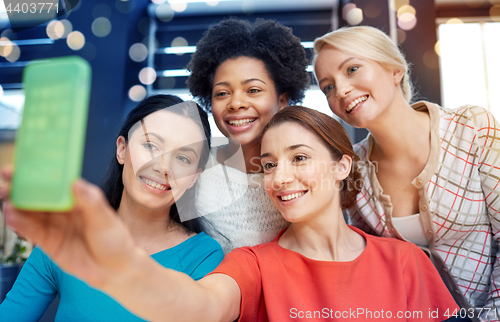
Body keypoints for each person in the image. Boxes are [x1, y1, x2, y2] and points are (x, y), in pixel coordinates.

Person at [0, 106, 461, 321]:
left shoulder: (407, 264)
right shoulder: (252, 265)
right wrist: (115, 257)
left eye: (299, 158)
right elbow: (197, 307)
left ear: (343, 164)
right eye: (268, 165)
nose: (281, 178)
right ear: (122, 149)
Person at [313, 25, 500, 320]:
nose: (342, 90)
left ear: (394, 70)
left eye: (352, 69)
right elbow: (372, 263)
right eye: (328, 87)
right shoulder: (353, 169)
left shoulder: (472, 127)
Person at [0, 95, 224, 321]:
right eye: (151, 145)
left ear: (194, 177)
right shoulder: (67, 236)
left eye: (183, 159)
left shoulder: (204, 256)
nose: (163, 167)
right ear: (122, 150)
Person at [187, 18, 310, 253]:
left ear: (282, 100)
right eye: (222, 93)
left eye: (253, 90)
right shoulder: (194, 170)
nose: (236, 103)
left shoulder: (303, 174)